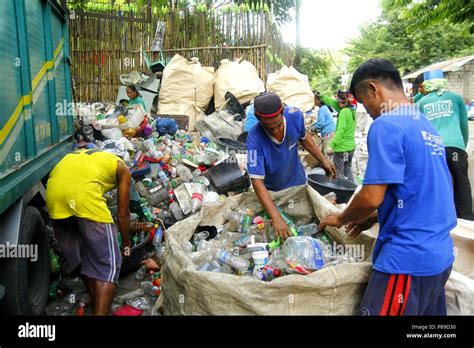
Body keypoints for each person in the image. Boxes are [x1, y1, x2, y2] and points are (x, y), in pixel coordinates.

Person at [320, 59, 456, 316]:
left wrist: (341, 217)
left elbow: (371, 196)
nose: (367, 111)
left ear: (373, 89)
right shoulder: (424, 124)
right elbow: (422, 190)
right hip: (440, 257)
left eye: (363, 102)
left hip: (407, 261)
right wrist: (372, 217)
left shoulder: (386, 125)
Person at [46, 147, 132, 316]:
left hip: (54, 198)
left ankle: (96, 302)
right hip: (84, 200)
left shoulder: (82, 155)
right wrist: (126, 243)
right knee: (108, 267)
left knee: (81, 260)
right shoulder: (122, 168)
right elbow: (123, 214)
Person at [246, 92, 336, 240]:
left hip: (297, 184)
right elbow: (256, 182)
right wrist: (275, 216)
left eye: (278, 125)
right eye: (269, 128)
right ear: (258, 119)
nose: (275, 130)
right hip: (273, 194)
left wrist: (323, 159)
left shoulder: (294, 115)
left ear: (282, 112)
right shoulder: (254, 140)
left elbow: (304, 137)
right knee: (280, 232)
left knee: (304, 225)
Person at [416, 69, 472, 220]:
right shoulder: (456, 98)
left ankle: (444, 216)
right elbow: (463, 126)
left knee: (440, 182)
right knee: (461, 181)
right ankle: (467, 218)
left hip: (433, 148)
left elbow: (419, 129)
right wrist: (462, 146)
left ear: (426, 85)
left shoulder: (420, 103)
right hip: (456, 147)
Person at [318, 90, 357, 182]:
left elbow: (340, 131)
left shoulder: (343, 112)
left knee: (339, 171)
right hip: (350, 148)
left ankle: (342, 192)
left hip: (341, 149)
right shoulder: (351, 110)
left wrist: (331, 146)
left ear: (340, 102)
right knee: (347, 169)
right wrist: (322, 96)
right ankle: (352, 189)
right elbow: (332, 103)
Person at [312, 92, 336, 157]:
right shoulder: (325, 107)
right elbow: (321, 121)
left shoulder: (322, 110)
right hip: (332, 131)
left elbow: (322, 123)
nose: (313, 101)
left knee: (327, 154)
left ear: (319, 101)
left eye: (314, 99)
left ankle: (330, 166)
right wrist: (314, 125)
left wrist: (314, 128)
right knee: (331, 153)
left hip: (328, 133)